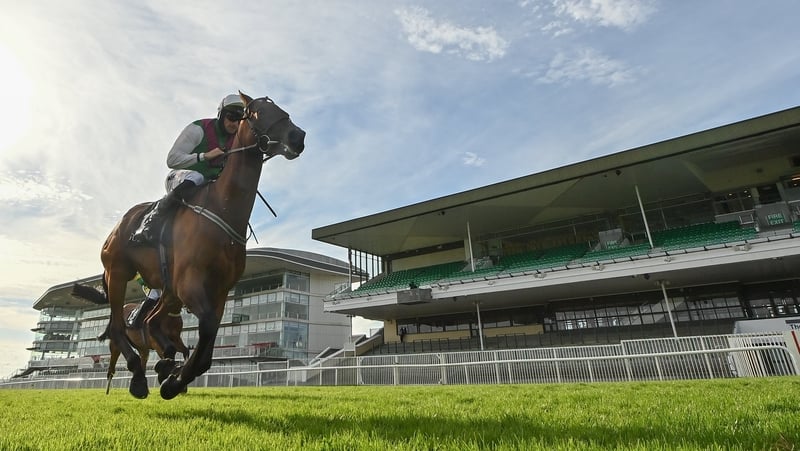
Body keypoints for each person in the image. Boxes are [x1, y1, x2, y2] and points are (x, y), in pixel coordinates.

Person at [130, 94, 246, 245]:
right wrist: (204, 156)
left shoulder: (237, 141)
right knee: (196, 177)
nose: (235, 124)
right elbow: (172, 160)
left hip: (208, 187)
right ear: (222, 114)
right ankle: (151, 221)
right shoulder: (199, 129)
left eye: (240, 120)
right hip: (180, 178)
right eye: (231, 117)